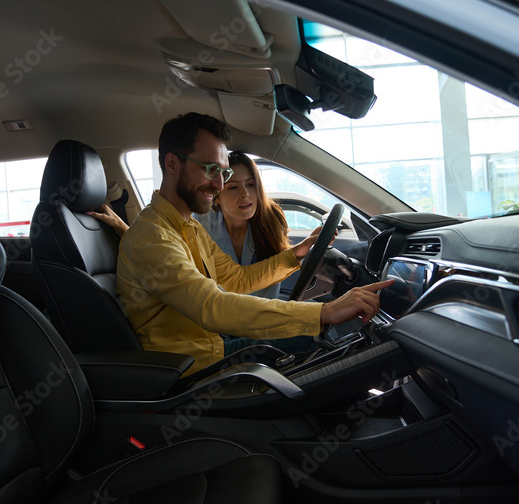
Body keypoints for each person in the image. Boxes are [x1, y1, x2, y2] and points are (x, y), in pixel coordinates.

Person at [116, 112, 391, 376]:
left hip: (212, 343)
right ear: (172, 164)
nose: (218, 185)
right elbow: (212, 306)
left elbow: (237, 278)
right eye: (211, 169)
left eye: (222, 174)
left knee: (321, 338)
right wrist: (326, 311)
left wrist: (298, 253)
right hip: (192, 365)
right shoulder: (153, 236)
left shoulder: (188, 227)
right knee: (321, 340)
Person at [195, 151, 288, 299]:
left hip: (262, 311)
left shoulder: (272, 220)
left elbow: (270, 291)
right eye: (233, 187)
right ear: (216, 197)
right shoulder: (202, 224)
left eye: (251, 184)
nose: (245, 194)